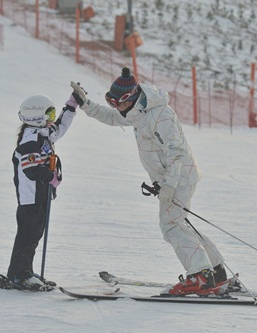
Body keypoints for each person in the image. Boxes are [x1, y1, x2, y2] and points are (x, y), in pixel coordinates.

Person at [70, 68, 233, 296]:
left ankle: (200, 275)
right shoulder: (138, 112)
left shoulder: (160, 115)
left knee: (172, 226)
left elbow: (176, 151)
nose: (115, 107)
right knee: (180, 224)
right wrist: (85, 103)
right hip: (173, 178)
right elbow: (111, 117)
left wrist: (169, 184)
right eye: (111, 101)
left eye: (117, 102)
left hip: (179, 177)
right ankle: (216, 273)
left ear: (130, 97)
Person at [0, 93, 78, 291]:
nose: (52, 118)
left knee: (35, 234)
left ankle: (26, 270)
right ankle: (18, 275)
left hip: (41, 194)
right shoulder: (30, 140)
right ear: (37, 117)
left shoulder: (43, 133)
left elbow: (59, 129)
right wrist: (49, 176)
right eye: (49, 114)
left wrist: (71, 106)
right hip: (30, 197)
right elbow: (30, 169)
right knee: (27, 235)